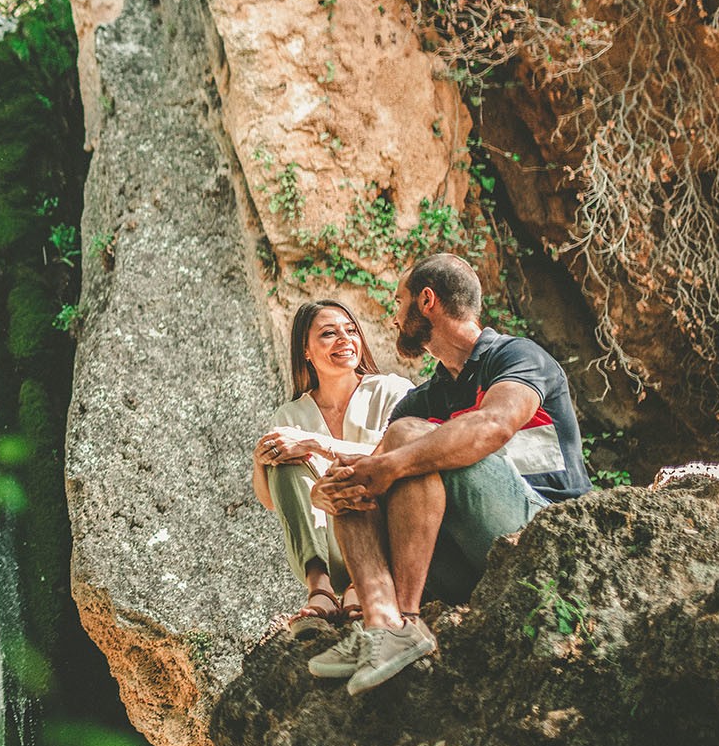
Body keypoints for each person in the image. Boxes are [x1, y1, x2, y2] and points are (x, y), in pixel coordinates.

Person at [306, 253, 591, 694]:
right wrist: (328, 492)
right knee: (355, 478)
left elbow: (492, 426)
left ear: (426, 301)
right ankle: (382, 625)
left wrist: (392, 463)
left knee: (403, 443)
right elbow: (370, 476)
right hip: (467, 564)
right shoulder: (425, 398)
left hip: (543, 533)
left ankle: (406, 620)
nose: (394, 317)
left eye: (399, 303)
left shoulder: (515, 355)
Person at [253, 300, 412, 634]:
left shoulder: (392, 391)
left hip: (387, 540)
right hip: (329, 548)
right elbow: (272, 501)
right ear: (306, 351)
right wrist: (261, 462)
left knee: (354, 469)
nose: (345, 339)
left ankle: (362, 585)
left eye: (350, 330)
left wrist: (316, 445)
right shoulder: (290, 415)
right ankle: (321, 589)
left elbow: (406, 457)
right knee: (284, 462)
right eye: (329, 333)